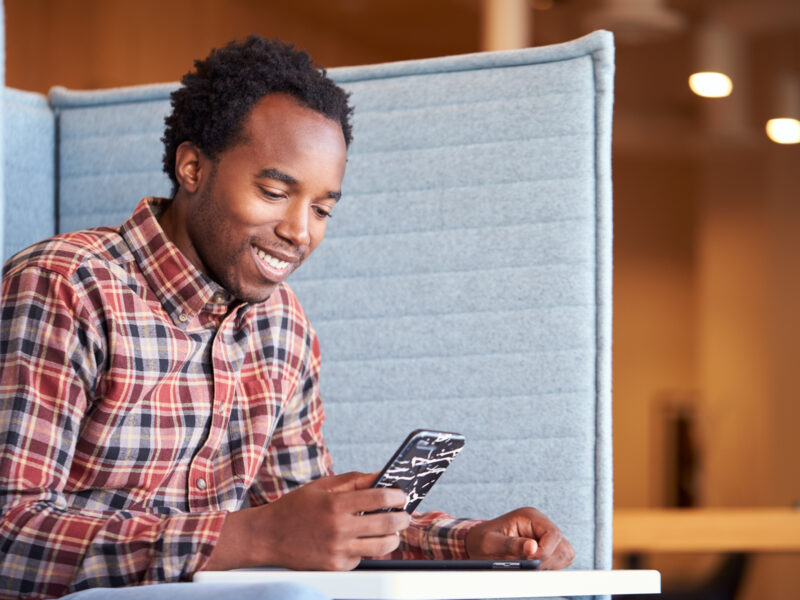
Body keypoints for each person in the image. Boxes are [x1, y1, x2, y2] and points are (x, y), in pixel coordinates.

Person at [0, 36, 574, 600]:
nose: (301, 232)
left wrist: (470, 542)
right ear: (193, 167)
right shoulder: (66, 287)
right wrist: (249, 535)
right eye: (275, 191)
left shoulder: (283, 328)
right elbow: (9, 534)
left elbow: (312, 526)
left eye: (322, 208)